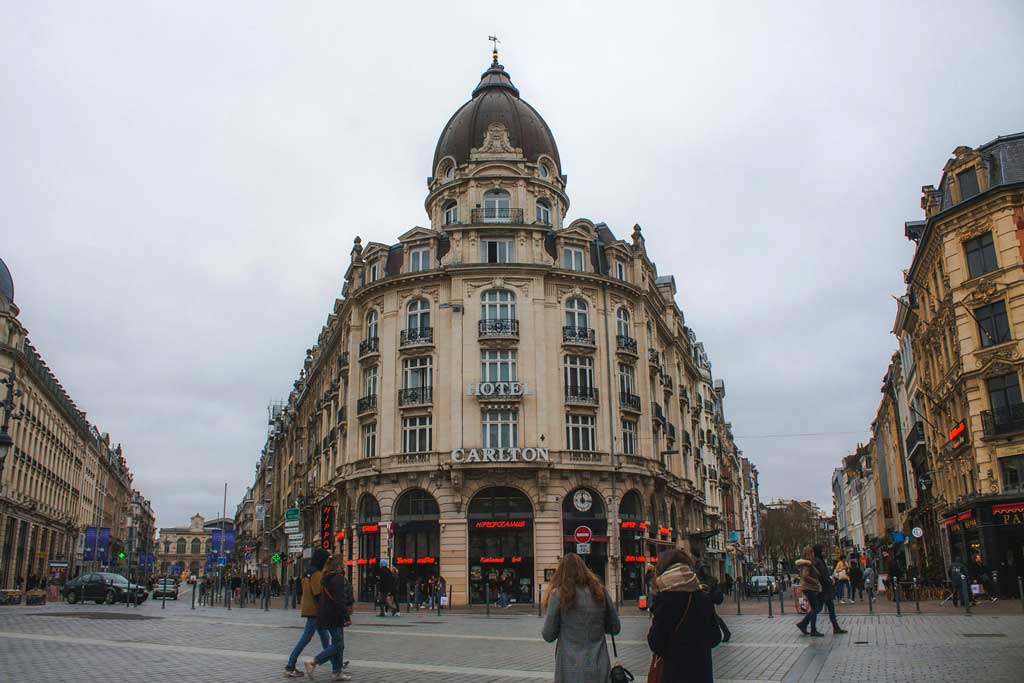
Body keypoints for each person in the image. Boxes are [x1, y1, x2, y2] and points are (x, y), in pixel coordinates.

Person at [541, 553, 621, 683]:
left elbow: (548, 635)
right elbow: (615, 628)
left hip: (569, 668)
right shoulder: (600, 592)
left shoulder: (558, 595)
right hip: (599, 664)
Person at [646, 549, 720, 683]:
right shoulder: (703, 597)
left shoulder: (665, 600)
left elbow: (655, 642)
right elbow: (715, 637)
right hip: (701, 674)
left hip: (674, 674)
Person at [303, 555, 353, 681]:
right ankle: (313, 661)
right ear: (339, 565)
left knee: (338, 644)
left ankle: (337, 672)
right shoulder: (338, 579)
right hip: (335, 615)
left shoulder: (326, 577)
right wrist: (346, 616)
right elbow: (340, 600)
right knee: (338, 645)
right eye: (343, 562)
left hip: (325, 614)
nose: (345, 564)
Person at [285, 549, 331, 677]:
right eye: (326, 559)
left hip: (310, 608)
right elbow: (318, 594)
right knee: (305, 639)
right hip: (315, 611)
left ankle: (336, 661)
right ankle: (290, 665)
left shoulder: (307, 572)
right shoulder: (316, 574)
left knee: (325, 637)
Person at [813, 544, 846, 634]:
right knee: (818, 608)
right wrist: (829, 581)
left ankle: (836, 627)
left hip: (826, 588)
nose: (824, 552)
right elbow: (821, 575)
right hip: (824, 589)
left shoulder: (820, 561)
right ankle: (804, 623)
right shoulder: (818, 561)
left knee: (829, 608)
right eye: (822, 551)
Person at [696, 562, 731, 642]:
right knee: (714, 617)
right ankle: (726, 632)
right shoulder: (711, 579)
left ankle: (725, 633)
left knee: (714, 617)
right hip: (709, 601)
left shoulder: (702, 580)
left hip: (705, 601)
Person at [796, 546, 823, 637]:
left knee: (814, 608)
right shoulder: (807, 563)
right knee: (815, 608)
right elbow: (805, 575)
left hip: (809, 588)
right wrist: (815, 581)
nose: (813, 554)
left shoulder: (807, 563)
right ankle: (812, 629)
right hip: (809, 588)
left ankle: (803, 624)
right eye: (812, 552)